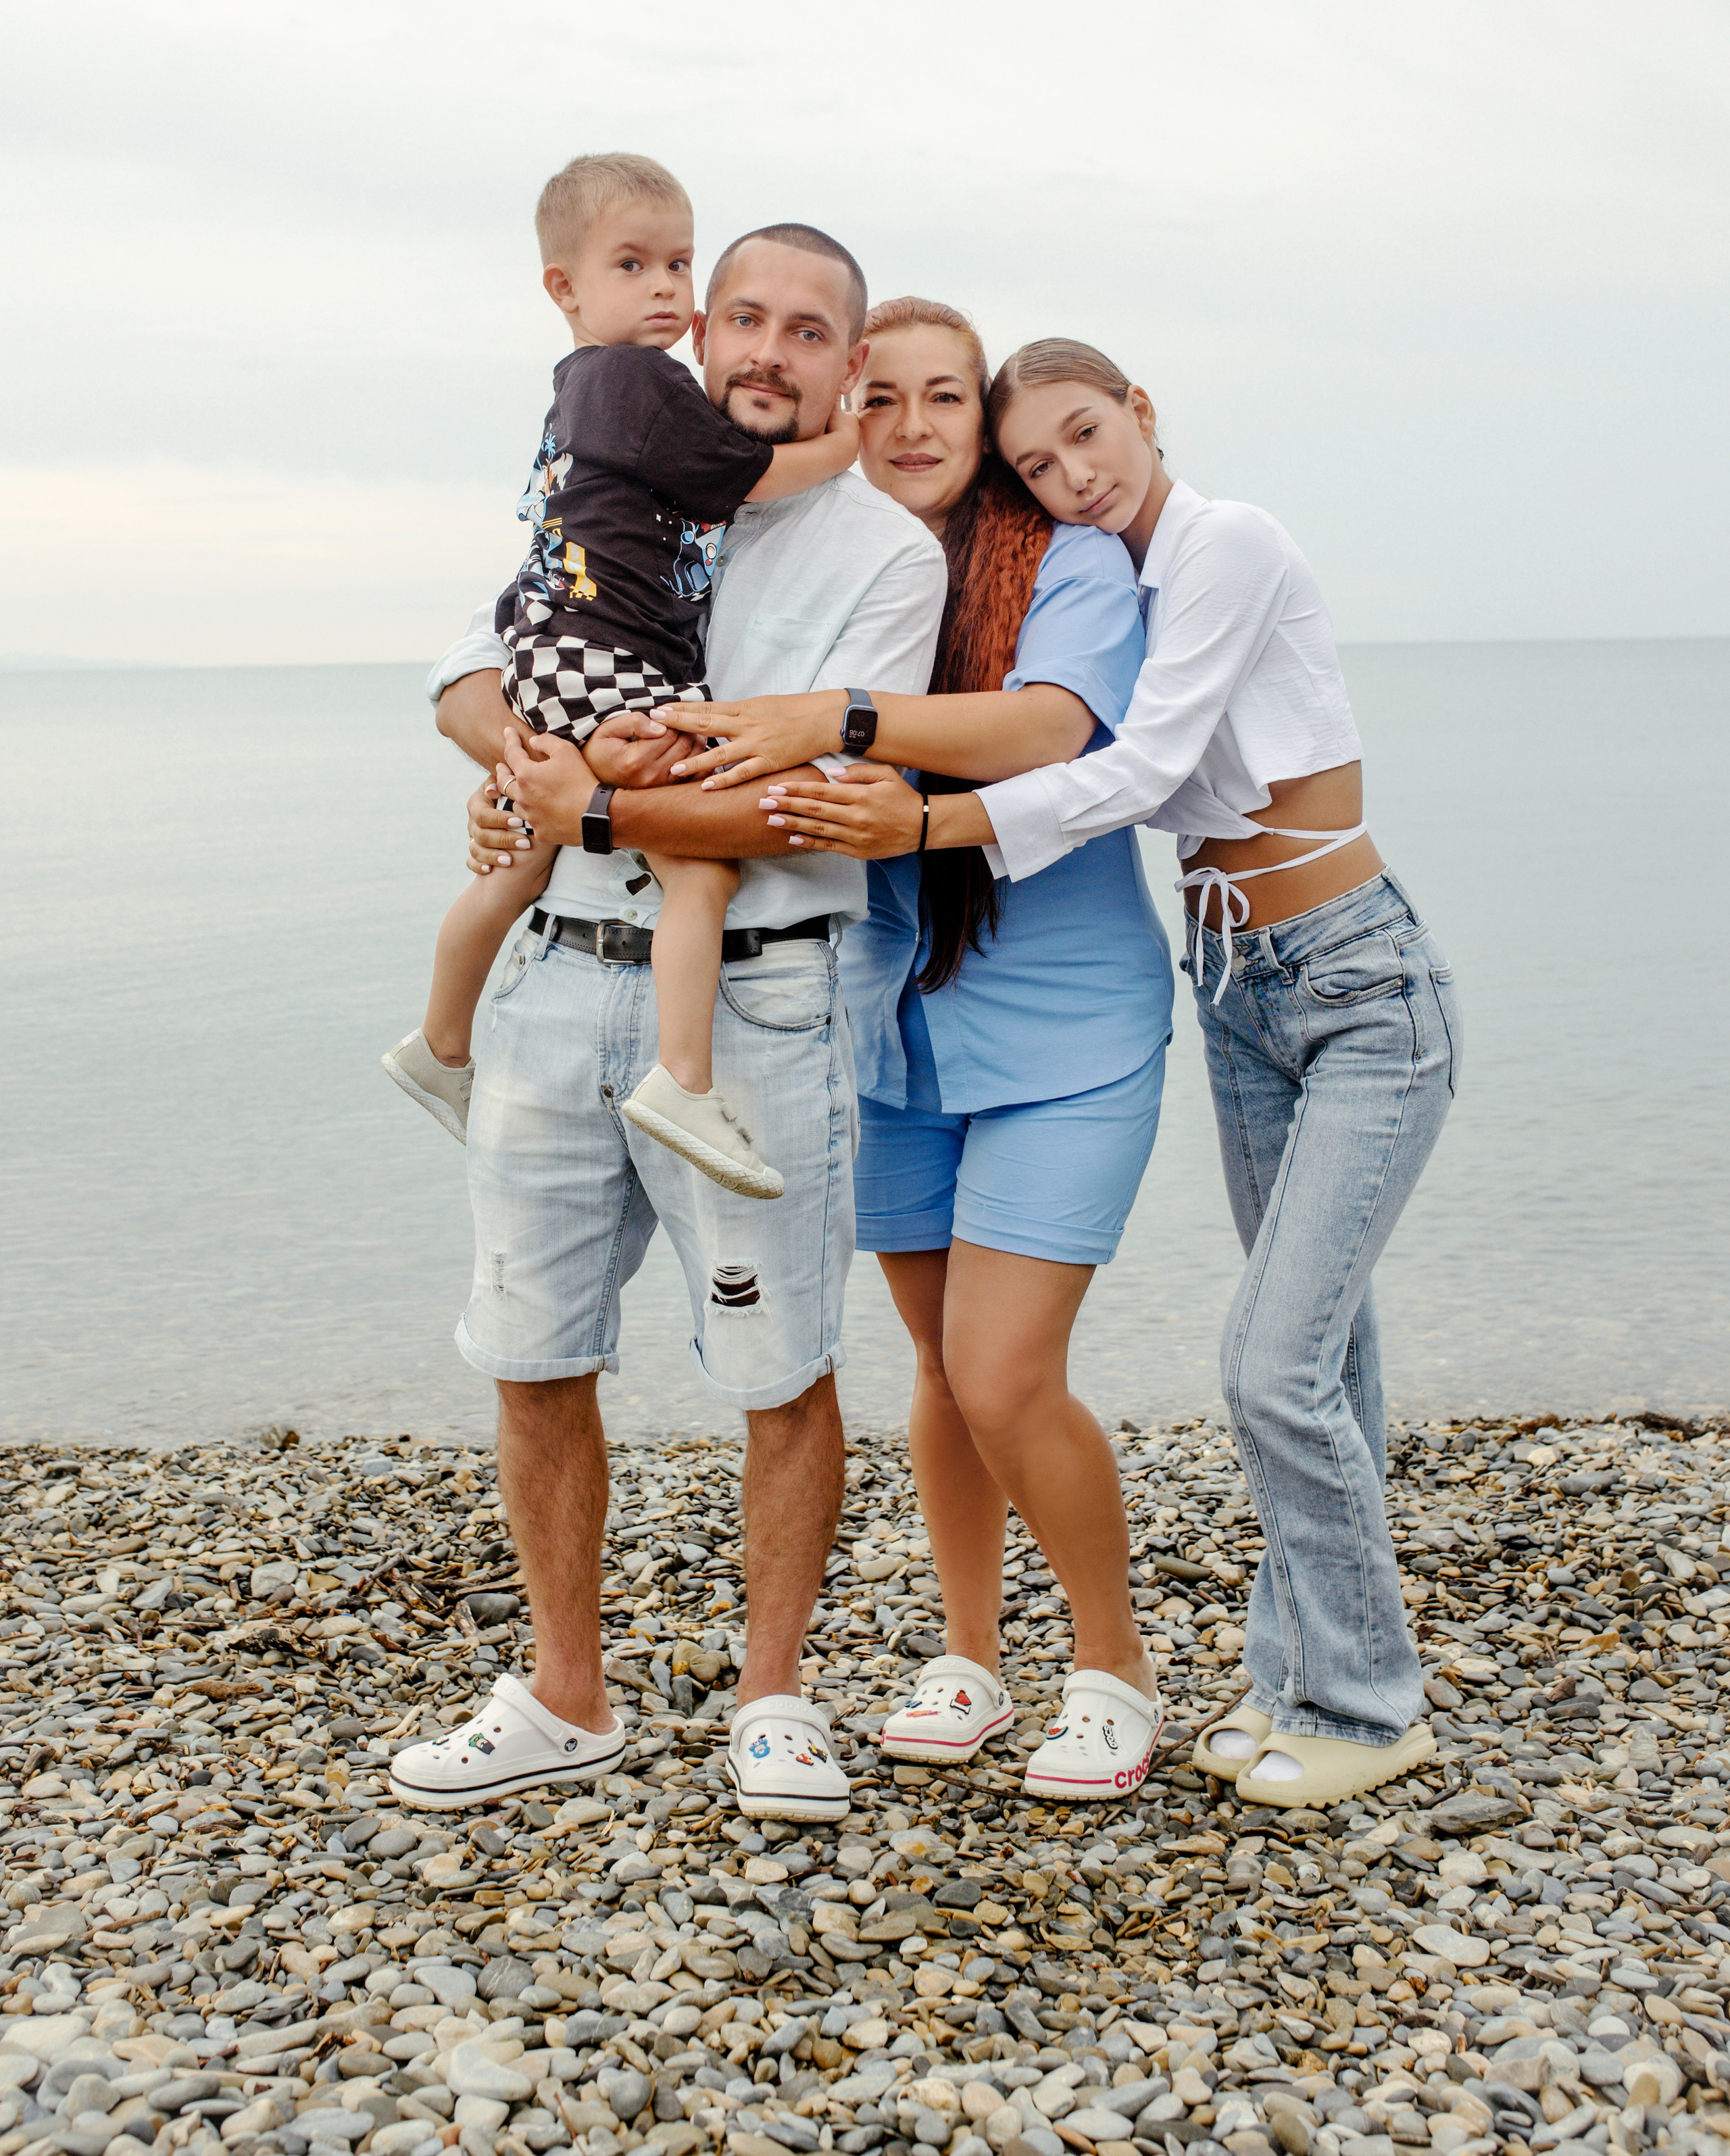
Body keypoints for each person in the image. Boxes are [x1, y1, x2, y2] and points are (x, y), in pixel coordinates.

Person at [724, 337, 1462, 1813]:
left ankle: (1336, 1698)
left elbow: (1112, 754)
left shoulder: (1177, 553)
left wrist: (895, 801)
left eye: (1080, 434)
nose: (1072, 472)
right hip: (1222, 975)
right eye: (1043, 455)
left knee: (1248, 1365)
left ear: (1140, 407)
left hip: (1340, 966)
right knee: (1309, 1361)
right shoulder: (900, 569)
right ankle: (1290, 1678)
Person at [385, 226, 947, 1822]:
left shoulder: (882, 558)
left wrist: (595, 800)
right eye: (746, 317)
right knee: (528, 1347)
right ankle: (565, 1693)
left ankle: (775, 1700)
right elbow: (462, 666)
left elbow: (809, 804)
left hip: (763, 995)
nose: (771, 348)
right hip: (557, 976)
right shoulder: (617, 469)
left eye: (809, 330)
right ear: (702, 332)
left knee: (781, 1367)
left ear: (847, 364)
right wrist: (523, 759)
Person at [656, 299, 1175, 1802]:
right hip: (879, 1024)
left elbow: (1051, 731)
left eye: (946, 396)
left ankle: (1110, 1661)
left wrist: (841, 723)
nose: (913, 427)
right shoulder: (819, 567)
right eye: (878, 397)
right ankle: (973, 1652)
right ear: (836, 413)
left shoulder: (1066, 563)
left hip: (1065, 1025)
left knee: (1004, 1372)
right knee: (940, 1375)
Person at [380, 153, 860, 1198]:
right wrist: (847, 445)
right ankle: (684, 1081)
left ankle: (441, 1043)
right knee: (700, 865)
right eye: (634, 264)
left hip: (555, 649)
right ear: (564, 288)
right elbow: (750, 476)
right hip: (609, 664)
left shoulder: (577, 396)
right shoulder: (638, 383)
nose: (662, 289)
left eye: (677, 264)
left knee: (519, 855)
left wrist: (545, 761)